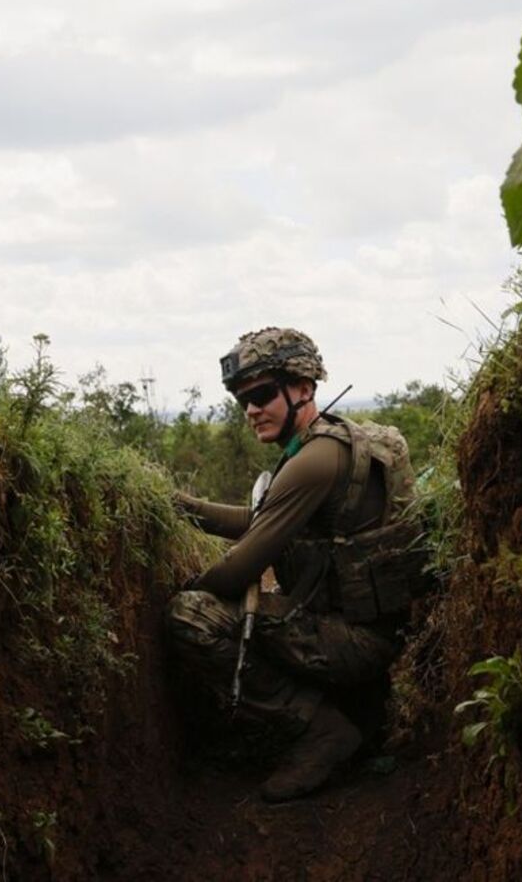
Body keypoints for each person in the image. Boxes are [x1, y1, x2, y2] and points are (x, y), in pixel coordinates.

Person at [167, 327, 423, 802]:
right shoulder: (328, 444)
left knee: (192, 614)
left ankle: (321, 731)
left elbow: (242, 566)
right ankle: (352, 716)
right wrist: (180, 505)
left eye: (262, 394)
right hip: (365, 634)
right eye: (243, 400)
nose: (251, 410)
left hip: (355, 644)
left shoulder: (314, 459)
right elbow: (263, 520)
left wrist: (190, 585)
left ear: (303, 388)